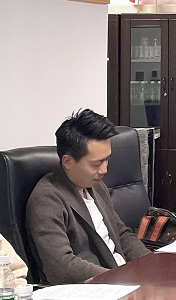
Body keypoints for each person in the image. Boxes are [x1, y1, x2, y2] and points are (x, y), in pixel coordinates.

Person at [25, 110, 150, 284]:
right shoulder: (47, 199)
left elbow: (121, 234)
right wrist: (117, 278)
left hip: (122, 278)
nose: (104, 170)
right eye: (96, 164)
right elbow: (60, 266)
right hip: (96, 286)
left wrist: (150, 264)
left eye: (107, 160)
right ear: (68, 162)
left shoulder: (95, 186)